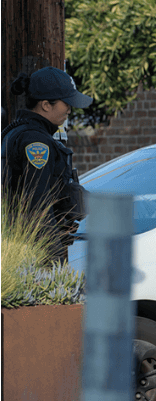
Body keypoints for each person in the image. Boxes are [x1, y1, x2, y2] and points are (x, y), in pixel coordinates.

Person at [1, 67, 92, 264]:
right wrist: (54, 256)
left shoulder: (18, 133)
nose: (69, 109)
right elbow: (37, 206)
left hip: (17, 247)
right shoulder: (36, 143)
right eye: (65, 102)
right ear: (45, 105)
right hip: (31, 251)